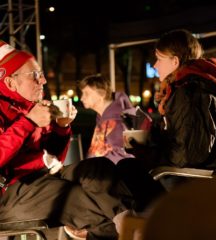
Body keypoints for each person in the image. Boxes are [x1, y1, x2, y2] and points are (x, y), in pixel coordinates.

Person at [0, 40, 135, 240]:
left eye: (42, 74)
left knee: (99, 168)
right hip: (8, 194)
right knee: (77, 198)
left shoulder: (32, 107)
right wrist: (28, 122)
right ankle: (127, 232)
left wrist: (61, 128)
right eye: (35, 76)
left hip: (39, 180)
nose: (43, 81)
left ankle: (133, 222)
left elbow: (55, 158)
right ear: (10, 82)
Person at [133, 29, 216, 190]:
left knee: (123, 170)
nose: (155, 65)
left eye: (159, 59)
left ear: (175, 62)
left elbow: (188, 155)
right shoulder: (211, 88)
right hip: (213, 180)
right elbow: (192, 139)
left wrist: (148, 153)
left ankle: (133, 215)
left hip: (193, 186)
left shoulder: (189, 93)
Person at [79, 75, 164, 212]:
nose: (82, 97)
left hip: (114, 182)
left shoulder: (117, 119)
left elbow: (125, 155)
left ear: (101, 94)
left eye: (87, 93)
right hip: (102, 177)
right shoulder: (103, 116)